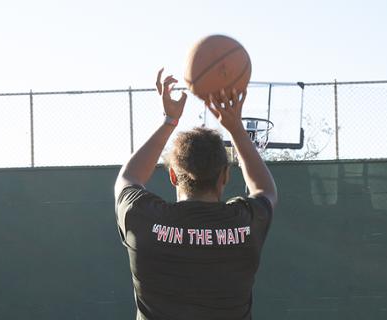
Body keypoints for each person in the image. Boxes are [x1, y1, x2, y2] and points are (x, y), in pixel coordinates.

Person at [114, 68, 277, 320]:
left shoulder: (142, 218)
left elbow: (128, 179)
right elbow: (265, 190)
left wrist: (170, 121)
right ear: (225, 175)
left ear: (172, 176)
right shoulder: (244, 223)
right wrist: (235, 128)